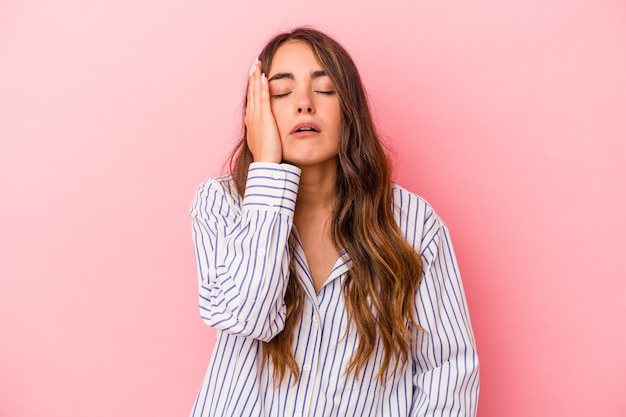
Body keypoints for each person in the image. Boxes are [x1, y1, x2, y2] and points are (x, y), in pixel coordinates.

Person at [189, 27, 479, 417]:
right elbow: (246, 316)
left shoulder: (412, 223)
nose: (304, 104)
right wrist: (268, 174)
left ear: (350, 111)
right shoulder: (221, 204)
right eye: (281, 93)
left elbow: (448, 372)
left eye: (325, 90)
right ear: (256, 113)